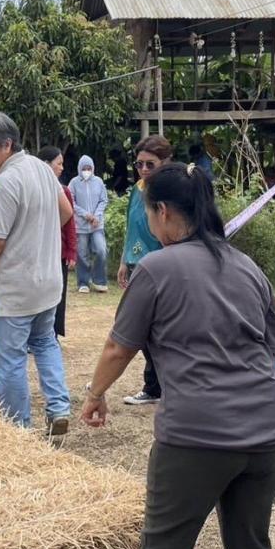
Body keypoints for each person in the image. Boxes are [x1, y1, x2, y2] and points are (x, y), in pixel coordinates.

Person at [81, 162, 275, 549]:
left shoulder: (156, 268)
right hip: (267, 432)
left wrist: (94, 394)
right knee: (251, 545)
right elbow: (272, 350)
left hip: (197, 436)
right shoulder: (248, 267)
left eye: (148, 211)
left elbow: (118, 346)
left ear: (165, 212)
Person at [0, 113, 73, 444]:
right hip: (49, 280)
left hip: (16, 287)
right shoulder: (41, 167)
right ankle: (58, 408)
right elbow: (65, 212)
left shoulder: (6, 182)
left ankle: (16, 430)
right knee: (45, 342)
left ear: (6, 145)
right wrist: (36, 234)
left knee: (9, 357)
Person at [117, 134, 172, 405]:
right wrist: (122, 261)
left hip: (162, 266)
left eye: (151, 164)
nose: (144, 170)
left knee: (156, 329)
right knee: (144, 330)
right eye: (139, 164)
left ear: (165, 162)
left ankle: (159, 386)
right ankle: (155, 386)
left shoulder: (171, 191)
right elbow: (132, 224)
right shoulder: (138, 188)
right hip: (137, 263)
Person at [38, 146, 77, 339]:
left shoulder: (64, 191)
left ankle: (52, 334)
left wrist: (71, 251)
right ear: (46, 165)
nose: (62, 168)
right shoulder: (32, 189)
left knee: (57, 295)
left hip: (58, 251)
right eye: (58, 163)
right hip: (36, 251)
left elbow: (70, 224)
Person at [70, 154, 109, 293]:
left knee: (101, 250)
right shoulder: (74, 183)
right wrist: (85, 215)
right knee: (82, 254)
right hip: (80, 225)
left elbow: (103, 200)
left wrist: (96, 216)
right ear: (79, 169)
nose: (87, 171)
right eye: (84, 168)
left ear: (93, 168)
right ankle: (83, 282)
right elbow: (71, 202)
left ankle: (99, 280)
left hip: (96, 225)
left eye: (89, 168)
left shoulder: (98, 181)